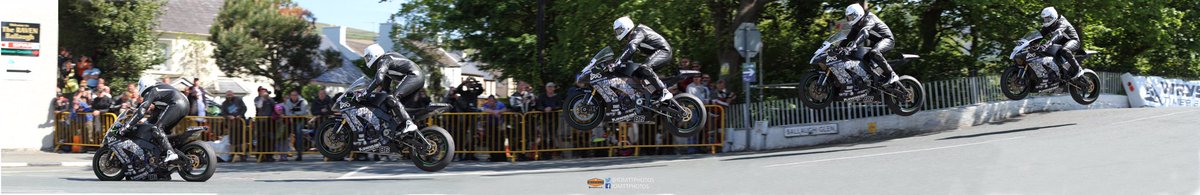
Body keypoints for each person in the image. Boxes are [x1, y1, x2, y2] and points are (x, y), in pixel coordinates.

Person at [358, 44, 425, 139]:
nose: (367, 61)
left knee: (392, 99)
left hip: (413, 76)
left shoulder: (383, 60)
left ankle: (408, 123)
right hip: (417, 77)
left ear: (374, 54)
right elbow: (385, 89)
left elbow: (378, 79)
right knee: (391, 102)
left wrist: (366, 92)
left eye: (367, 58)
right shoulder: (387, 65)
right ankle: (404, 129)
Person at [119, 78, 190, 163]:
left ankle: (170, 153)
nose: (139, 88)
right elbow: (156, 112)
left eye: (139, 86)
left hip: (177, 104)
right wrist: (146, 122)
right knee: (163, 131)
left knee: (157, 128)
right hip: (184, 105)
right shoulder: (160, 90)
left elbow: (142, 111)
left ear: (145, 85)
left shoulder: (151, 91)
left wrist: (128, 125)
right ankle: (170, 152)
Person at [612, 16, 674, 102]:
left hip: (664, 51)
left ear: (625, 27)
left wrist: (618, 61)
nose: (617, 33)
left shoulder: (638, 32)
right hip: (658, 52)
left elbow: (631, 49)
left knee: (645, 68)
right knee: (636, 74)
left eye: (618, 31)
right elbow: (629, 54)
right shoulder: (634, 36)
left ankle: (664, 91)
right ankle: (651, 94)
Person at [843, 3, 899, 85]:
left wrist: (853, 45)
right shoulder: (856, 26)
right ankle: (873, 78)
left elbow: (864, 32)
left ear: (857, 14)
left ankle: (891, 74)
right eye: (848, 18)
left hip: (887, 40)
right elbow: (848, 39)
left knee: (874, 52)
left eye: (851, 17)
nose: (849, 19)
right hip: (877, 42)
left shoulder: (869, 18)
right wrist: (837, 48)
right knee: (861, 57)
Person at [1038, 7, 1084, 80]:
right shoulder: (1048, 26)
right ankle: (1059, 73)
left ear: (1053, 16)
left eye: (1047, 18)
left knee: (1064, 50)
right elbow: (1039, 35)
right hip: (1060, 43)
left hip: (1073, 41)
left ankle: (1078, 69)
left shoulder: (1062, 22)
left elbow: (1058, 33)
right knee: (1045, 52)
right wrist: (1030, 43)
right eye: (1044, 19)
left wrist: (1049, 42)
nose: (1046, 20)